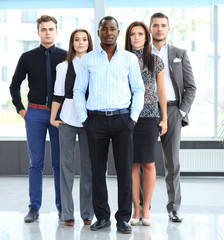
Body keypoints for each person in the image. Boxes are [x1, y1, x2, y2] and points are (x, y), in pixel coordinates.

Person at [73, 16, 145, 234]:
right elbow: (78, 90)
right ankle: (102, 217)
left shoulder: (129, 59)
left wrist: (132, 118)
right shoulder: (88, 59)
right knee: (97, 172)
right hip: (95, 121)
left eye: (112, 28)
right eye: (104, 29)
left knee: (124, 171)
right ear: (99, 33)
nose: (108, 32)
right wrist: (85, 119)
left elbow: (138, 90)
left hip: (123, 120)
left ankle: (123, 218)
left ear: (118, 31)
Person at [10, 15, 67, 223]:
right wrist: (21, 110)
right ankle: (34, 208)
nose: (48, 32)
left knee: (59, 162)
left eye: (51, 29)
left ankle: (63, 207)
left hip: (59, 115)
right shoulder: (27, 57)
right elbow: (14, 84)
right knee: (36, 163)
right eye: (44, 29)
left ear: (56, 31)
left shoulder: (65, 55)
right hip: (34, 113)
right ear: (38, 32)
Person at [149, 12, 196, 222]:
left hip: (173, 111)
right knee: (144, 162)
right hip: (147, 111)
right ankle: (143, 207)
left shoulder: (180, 53)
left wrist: (180, 112)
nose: (159, 29)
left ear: (168, 29)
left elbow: (191, 87)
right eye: (155, 25)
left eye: (163, 25)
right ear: (150, 29)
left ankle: (174, 207)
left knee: (173, 163)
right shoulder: (140, 53)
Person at [50, 29, 94, 226]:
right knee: (66, 167)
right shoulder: (63, 66)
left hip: (90, 121)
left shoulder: (96, 64)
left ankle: (87, 213)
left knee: (88, 167)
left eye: (84, 39)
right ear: (72, 43)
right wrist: (53, 118)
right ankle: (67, 213)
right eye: (77, 39)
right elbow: (58, 94)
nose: (80, 42)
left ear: (89, 42)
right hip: (67, 119)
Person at [125, 21, 167, 226]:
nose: (136, 37)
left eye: (140, 34)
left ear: (146, 36)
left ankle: (147, 208)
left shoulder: (155, 61)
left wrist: (164, 118)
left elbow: (161, 92)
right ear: (128, 37)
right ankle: (136, 209)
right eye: (132, 34)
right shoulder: (121, 58)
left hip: (150, 116)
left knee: (149, 163)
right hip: (127, 116)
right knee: (132, 163)